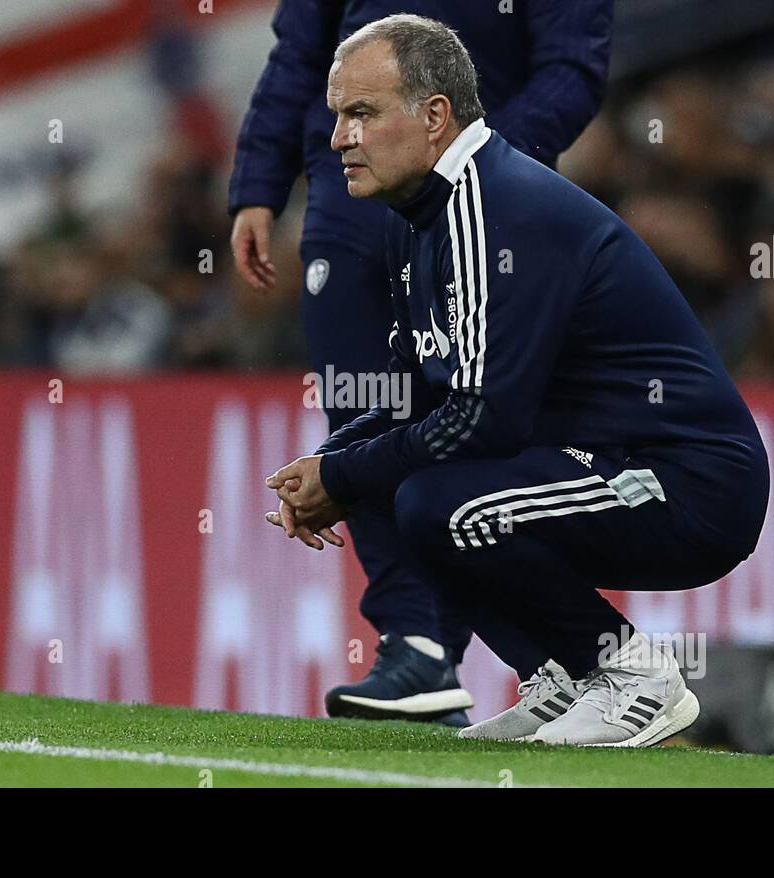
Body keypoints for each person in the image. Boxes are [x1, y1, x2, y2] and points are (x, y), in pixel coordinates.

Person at [265, 15, 769, 746]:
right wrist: (333, 463)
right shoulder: (419, 214)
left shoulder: (491, 205)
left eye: (362, 113)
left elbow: (481, 420)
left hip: (685, 480)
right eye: (338, 115)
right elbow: (422, 388)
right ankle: (565, 679)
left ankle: (633, 677)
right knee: (421, 501)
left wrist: (343, 475)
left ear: (435, 114)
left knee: (444, 505)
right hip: (601, 461)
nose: (340, 136)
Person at [230, 0, 612, 725]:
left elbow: (573, 68)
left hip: (490, 208)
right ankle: (417, 646)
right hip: (351, 202)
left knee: (479, 416)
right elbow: (299, 54)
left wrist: (479, 161)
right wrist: (258, 179)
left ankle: (557, 661)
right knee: (363, 410)